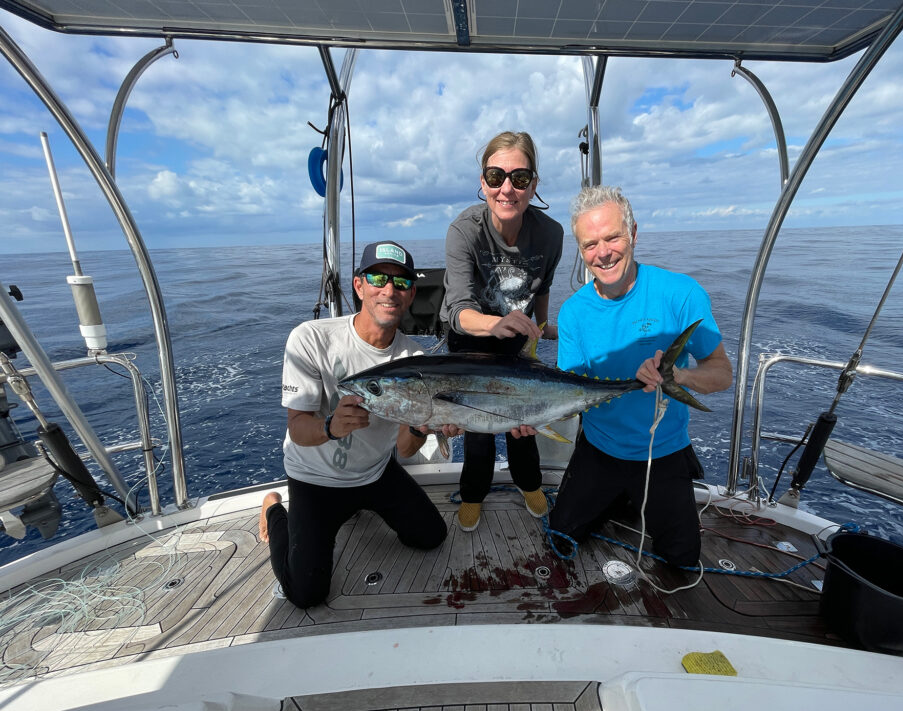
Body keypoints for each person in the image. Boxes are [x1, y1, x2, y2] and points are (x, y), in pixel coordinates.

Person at [259, 241, 454, 609]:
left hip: (375, 473)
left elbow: (405, 448)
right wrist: (330, 427)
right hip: (314, 479)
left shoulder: (413, 358)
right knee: (306, 594)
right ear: (359, 285)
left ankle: (358, 506)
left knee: (431, 536)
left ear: (412, 293)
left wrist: (423, 425)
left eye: (401, 282)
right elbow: (298, 429)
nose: (389, 290)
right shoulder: (311, 338)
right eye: (378, 278)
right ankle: (272, 508)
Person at [549, 186, 733, 567]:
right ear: (580, 251)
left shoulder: (680, 294)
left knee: (682, 560)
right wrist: (526, 416)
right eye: (590, 244)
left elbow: (722, 373)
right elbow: (570, 393)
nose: (603, 253)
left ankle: (629, 496)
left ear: (633, 232)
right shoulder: (572, 313)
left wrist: (678, 376)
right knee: (560, 538)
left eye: (612, 237)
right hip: (598, 448)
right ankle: (619, 495)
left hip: (662, 451)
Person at [440, 130, 564, 532]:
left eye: (520, 178)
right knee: (478, 432)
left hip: (517, 341)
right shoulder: (465, 230)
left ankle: (529, 484)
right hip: (470, 341)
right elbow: (458, 310)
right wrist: (496, 323)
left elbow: (541, 290)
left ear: (534, 184)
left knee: (522, 429)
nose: (507, 188)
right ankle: (473, 493)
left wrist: (541, 334)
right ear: (483, 182)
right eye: (496, 177)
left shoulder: (551, 233)